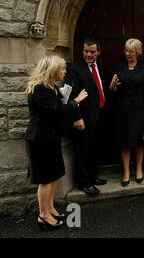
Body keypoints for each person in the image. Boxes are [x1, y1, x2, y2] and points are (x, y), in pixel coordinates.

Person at [24, 56, 88, 231]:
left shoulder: (51, 88)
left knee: (55, 174)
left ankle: (50, 207)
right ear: (53, 70)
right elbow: (57, 112)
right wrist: (76, 101)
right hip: (40, 140)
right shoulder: (39, 89)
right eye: (62, 69)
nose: (65, 72)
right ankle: (43, 215)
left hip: (50, 138)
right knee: (45, 179)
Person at [64, 38, 109, 195]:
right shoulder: (74, 68)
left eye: (92, 52)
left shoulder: (101, 68)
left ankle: (92, 176)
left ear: (98, 52)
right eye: (86, 51)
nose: (88, 55)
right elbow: (69, 95)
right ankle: (83, 182)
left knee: (95, 147)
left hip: (100, 115)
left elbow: (101, 90)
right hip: (83, 117)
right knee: (83, 149)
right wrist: (77, 117)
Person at [110, 38, 144, 187]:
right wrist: (112, 86)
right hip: (123, 109)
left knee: (139, 141)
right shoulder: (119, 67)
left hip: (139, 109)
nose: (128, 54)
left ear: (138, 52)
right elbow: (113, 90)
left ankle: (139, 169)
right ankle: (126, 172)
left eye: (132, 51)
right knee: (125, 142)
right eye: (127, 51)